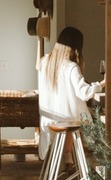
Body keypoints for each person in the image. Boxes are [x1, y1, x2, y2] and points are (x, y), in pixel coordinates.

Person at [36, 26, 105, 160]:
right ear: (77, 47)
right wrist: (103, 83)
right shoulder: (71, 66)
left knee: (79, 119)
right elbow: (84, 93)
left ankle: (69, 161)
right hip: (70, 120)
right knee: (94, 121)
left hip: (50, 119)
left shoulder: (45, 62)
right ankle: (83, 164)